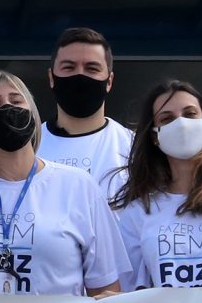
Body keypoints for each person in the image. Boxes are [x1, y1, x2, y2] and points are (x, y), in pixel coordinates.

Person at [0, 71, 125, 297]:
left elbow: (105, 289)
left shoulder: (78, 186)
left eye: (16, 101)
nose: (7, 108)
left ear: (33, 116)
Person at [110, 80, 202, 291]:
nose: (181, 124)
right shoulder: (136, 214)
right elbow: (129, 294)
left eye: (190, 114)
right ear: (155, 136)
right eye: (167, 119)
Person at [41, 27, 133, 201]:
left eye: (92, 68)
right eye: (69, 67)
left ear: (109, 81)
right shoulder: (29, 147)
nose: (80, 75)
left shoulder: (134, 149)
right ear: (51, 78)